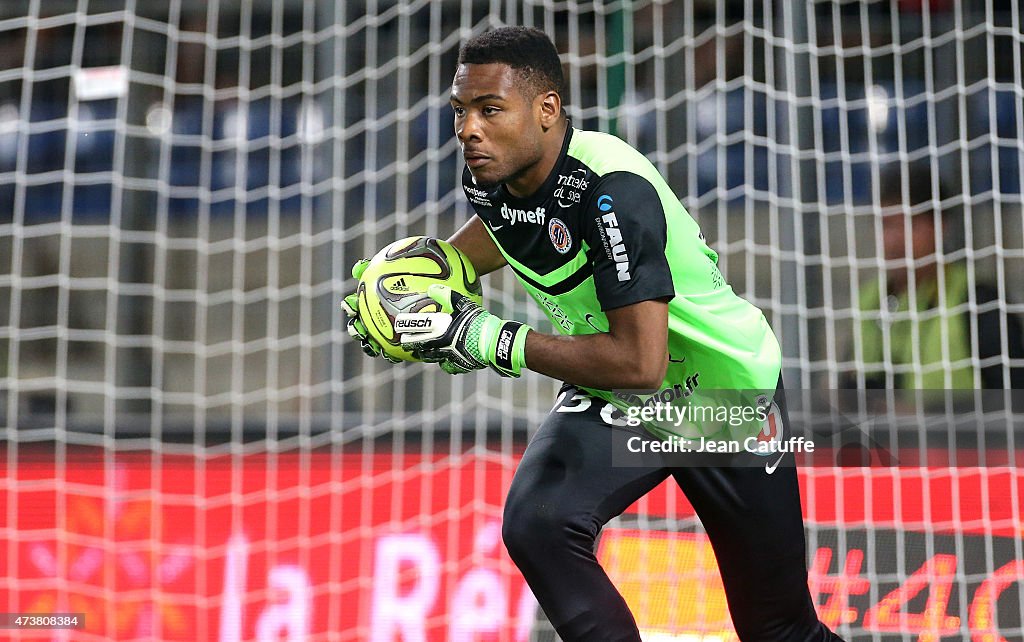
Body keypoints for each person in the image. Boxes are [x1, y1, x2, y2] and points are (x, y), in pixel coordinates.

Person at [344, 27, 842, 642]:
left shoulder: (613, 193)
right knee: (538, 521)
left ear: (547, 110)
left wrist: (483, 337)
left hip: (722, 398)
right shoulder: (493, 175)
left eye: (490, 110)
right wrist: (437, 274)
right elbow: (506, 224)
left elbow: (640, 364)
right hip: (623, 402)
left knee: (779, 631)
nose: (469, 129)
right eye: (461, 110)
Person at [854, 162, 1024, 389]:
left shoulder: (978, 301)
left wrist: (928, 415)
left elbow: (1013, 401)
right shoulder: (868, 300)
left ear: (940, 226)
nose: (894, 240)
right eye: (886, 225)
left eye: (909, 224)